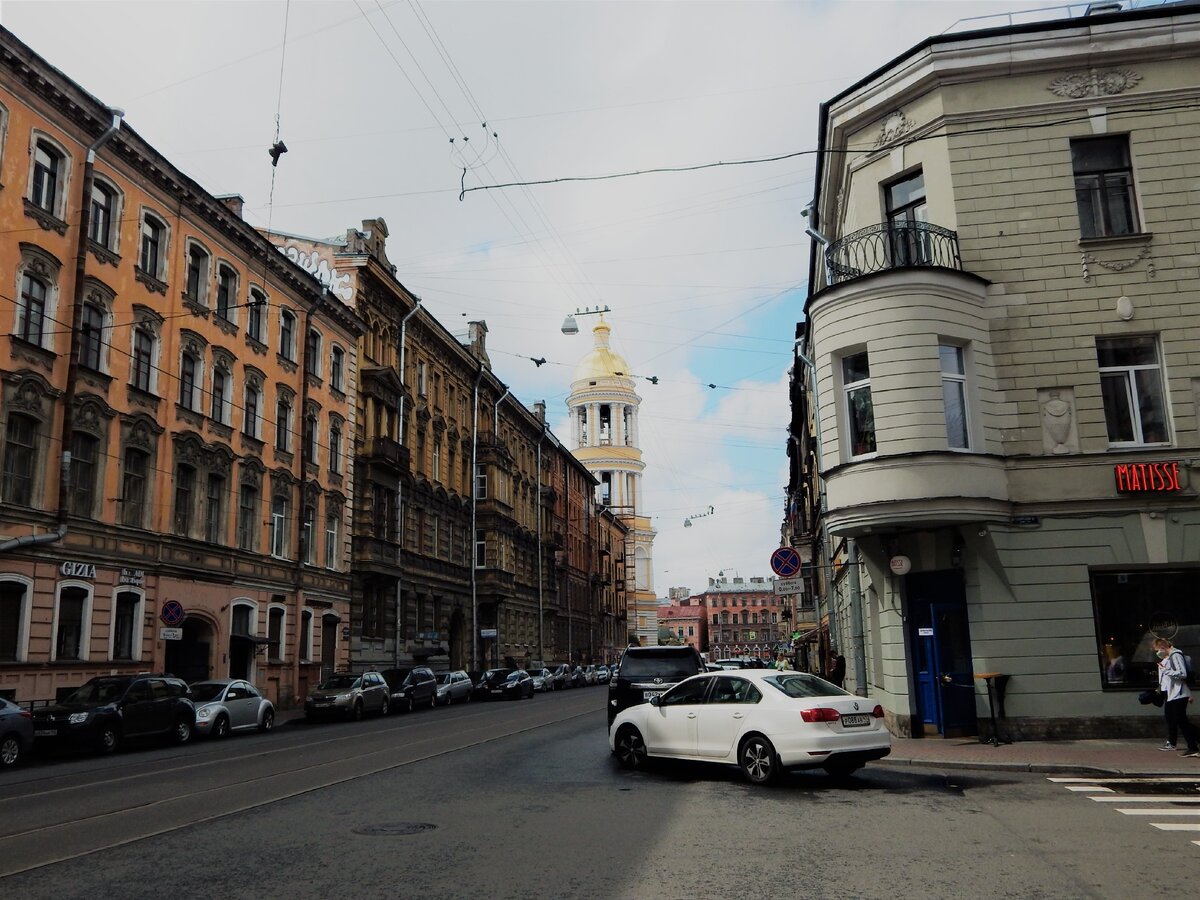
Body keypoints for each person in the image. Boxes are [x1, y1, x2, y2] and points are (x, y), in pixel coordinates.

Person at [1154, 638, 1199, 757]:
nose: (1157, 653)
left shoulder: (1175, 654)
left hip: (1179, 694)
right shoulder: (1171, 656)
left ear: (1163, 647)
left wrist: (1166, 670)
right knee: (1181, 721)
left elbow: (1182, 673)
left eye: (1157, 650)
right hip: (1175, 694)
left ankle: (1193, 747)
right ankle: (1192, 746)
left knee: (1182, 721)